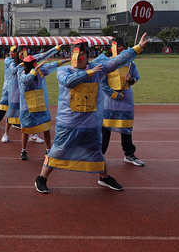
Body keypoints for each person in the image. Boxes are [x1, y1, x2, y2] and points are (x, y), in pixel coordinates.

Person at [34, 34, 149, 194]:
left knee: (96, 151)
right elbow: (69, 82)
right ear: (70, 56)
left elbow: (118, 60)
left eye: (81, 54)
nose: (78, 58)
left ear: (87, 56)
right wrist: (89, 73)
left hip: (91, 124)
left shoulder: (98, 69)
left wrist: (137, 48)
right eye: (75, 54)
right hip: (68, 123)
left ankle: (104, 177)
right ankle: (41, 178)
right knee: (58, 150)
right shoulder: (64, 71)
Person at [2, 45, 61, 144]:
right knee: (12, 112)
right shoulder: (13, 63)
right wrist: (24, 64)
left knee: (30, 112)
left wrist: (57, 48)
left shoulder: (30, 61)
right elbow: (13, 71)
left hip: (26, 91)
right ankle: (5, 133)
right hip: (16, 90)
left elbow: (42, 56)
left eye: (25, 54)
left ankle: (33, 135)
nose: (24, 56)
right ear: (17, 55)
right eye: (21, 54)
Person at [100, 38, 144, 166]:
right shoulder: (106, 63)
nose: (121, 49)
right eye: (118, 46)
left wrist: (131, 80)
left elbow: (136, 78)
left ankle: (129, 154)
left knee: (126, 128)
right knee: (105, 129)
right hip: (109, 101)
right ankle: (99, 155)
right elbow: (102, 83)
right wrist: (114, 94)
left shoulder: (130, 64)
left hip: (125, 99)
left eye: (123, 46)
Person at [17, 55, 69, 161]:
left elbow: (52, 65)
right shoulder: (21, 73)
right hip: (27, 105)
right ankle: (23, 150)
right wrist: (35, 70)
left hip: (40, 103)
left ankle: (48, 150)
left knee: (46, 127)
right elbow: (27, 80)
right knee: (26, 129)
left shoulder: (41, 70)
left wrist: (66, 60)